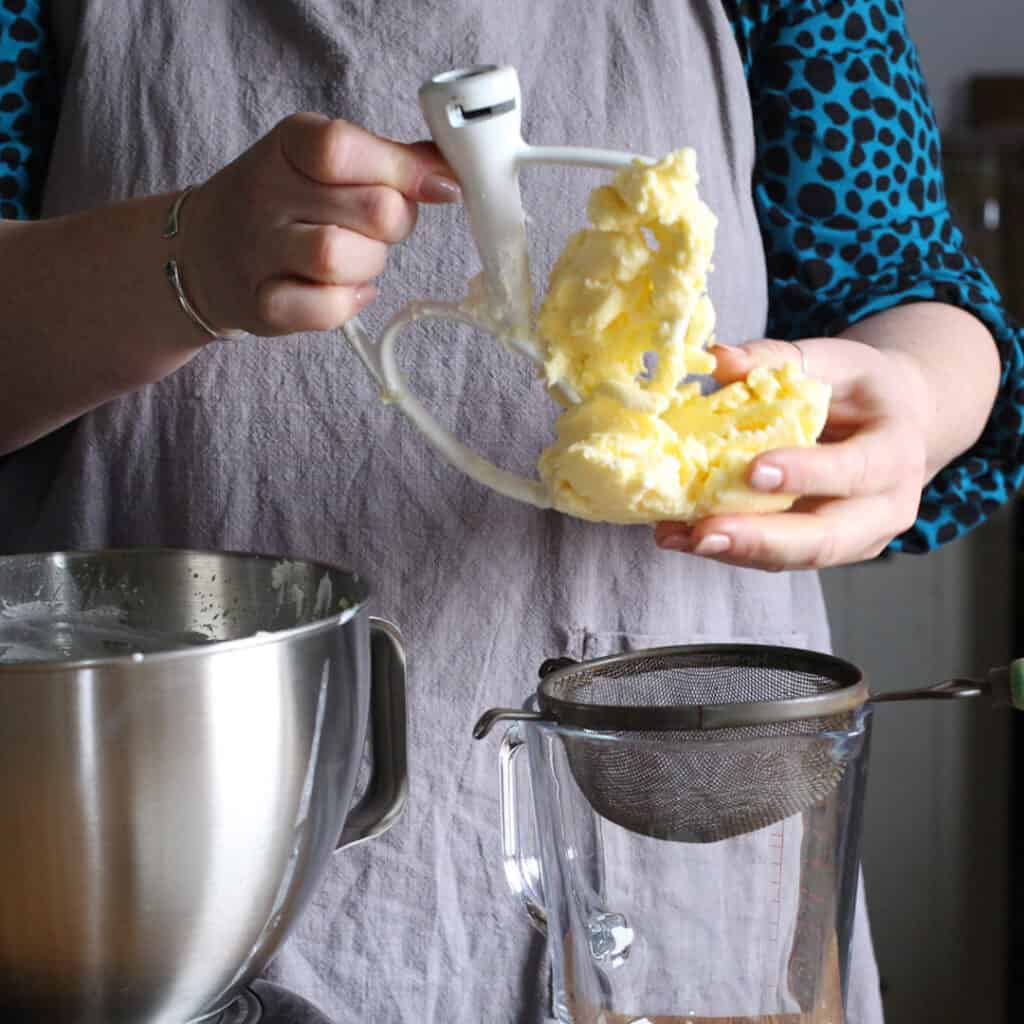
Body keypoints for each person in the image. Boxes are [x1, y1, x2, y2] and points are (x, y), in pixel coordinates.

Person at [0, 1, 1019, 1021]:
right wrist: (179, 261)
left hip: (686, 879)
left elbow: (908, 283)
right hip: (157, 865)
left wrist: (913, 401)